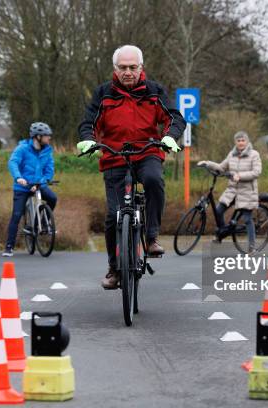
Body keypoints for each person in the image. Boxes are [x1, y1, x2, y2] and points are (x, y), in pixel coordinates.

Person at [77, 44, 186, 289]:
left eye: (132, 67)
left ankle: (151, 237)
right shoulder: (103, 93)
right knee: (112, 215)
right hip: (114, 156)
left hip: (147, 151)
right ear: (115, 69)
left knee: (153, 181)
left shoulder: (154, 91)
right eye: (123, 68)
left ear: (141, 68)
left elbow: (174, 117)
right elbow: (88, 122)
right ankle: (115, 268)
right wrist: (88, 140)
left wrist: (170, 136)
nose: (128, 72)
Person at [198, 131, 262, 248]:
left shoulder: (254, 154)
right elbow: (221, 167)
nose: (241, 143)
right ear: (235, 142)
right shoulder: (231, 154)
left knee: (247, 219)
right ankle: (222, 233)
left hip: (247, 191)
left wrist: (240, 176)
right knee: (218, 211)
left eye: (243, 140)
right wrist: (207, 163)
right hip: (232, 191)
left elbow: (256, 172)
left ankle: (252, 247)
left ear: (247, 142)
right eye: (238, 141)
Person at [2, 122, 57, 257]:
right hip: (22, 185)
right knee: (16, 214)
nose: (49, 138)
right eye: (46, 136)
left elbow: (49, 169)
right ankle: (9, 247)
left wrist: (43, 181)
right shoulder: (22, 148)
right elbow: (13, 162)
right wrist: (18, 177)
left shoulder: (47, 151)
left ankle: (44, 222)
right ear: (38, 137)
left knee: (53, 198)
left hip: (39, 184)